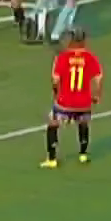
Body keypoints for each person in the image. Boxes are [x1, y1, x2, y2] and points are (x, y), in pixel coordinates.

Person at [45, 29, 102, 168]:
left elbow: (55, 80)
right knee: (83, 124)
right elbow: (98, 78)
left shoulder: (63, 57)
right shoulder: (90, 57)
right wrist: (96, 95)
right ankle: (83, 155)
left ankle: (52, 159)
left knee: (52, 124)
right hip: (83, 103)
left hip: (65, 102)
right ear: (84, 40)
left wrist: (55, 92)